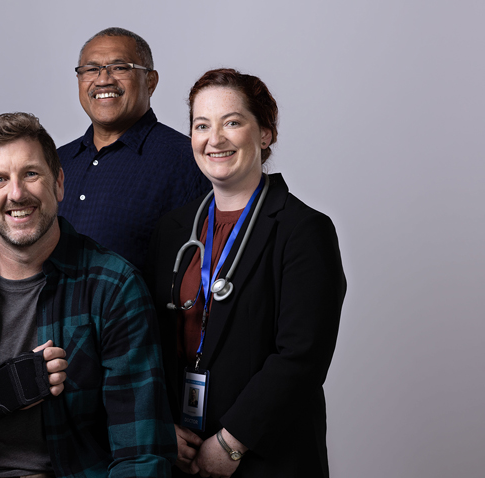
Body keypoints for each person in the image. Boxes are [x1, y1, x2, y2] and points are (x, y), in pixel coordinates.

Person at [0, 112, 176, 478]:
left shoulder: (115, 287)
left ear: (58, 183)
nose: (16, 193)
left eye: (31, 173)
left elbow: (142, 455)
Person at [144, 69, 346, 477]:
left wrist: (233, 442)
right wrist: (163, 425)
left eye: (232, 122)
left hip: (266, 456)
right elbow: (153, 341)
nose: (214, 139)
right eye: (201, 125)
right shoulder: (173, 230)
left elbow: (301, 357)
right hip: (182, 449)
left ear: (266, 133)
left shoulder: (304, 230)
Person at [58, 27, 209, 270]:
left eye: (119, 68)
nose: (103, 79)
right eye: (91, 69)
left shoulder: (188, 160)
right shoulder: (55, 162)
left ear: (151, 81)